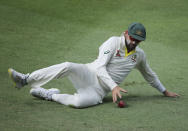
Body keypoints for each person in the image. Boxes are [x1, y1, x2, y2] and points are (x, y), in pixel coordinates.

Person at [8, 22, 179, 108]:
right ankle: (25, 79)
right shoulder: (112, 42)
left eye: (138, 40)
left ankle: (49, 95)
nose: (135, 42)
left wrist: (164, 91)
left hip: (99, 91)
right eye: (133, 38)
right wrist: (114, 86)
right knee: (68, 65)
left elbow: (149, 74)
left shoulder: (139, 56)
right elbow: (99, 67)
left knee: (79, 103)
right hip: (89, 73)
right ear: (126, 34)